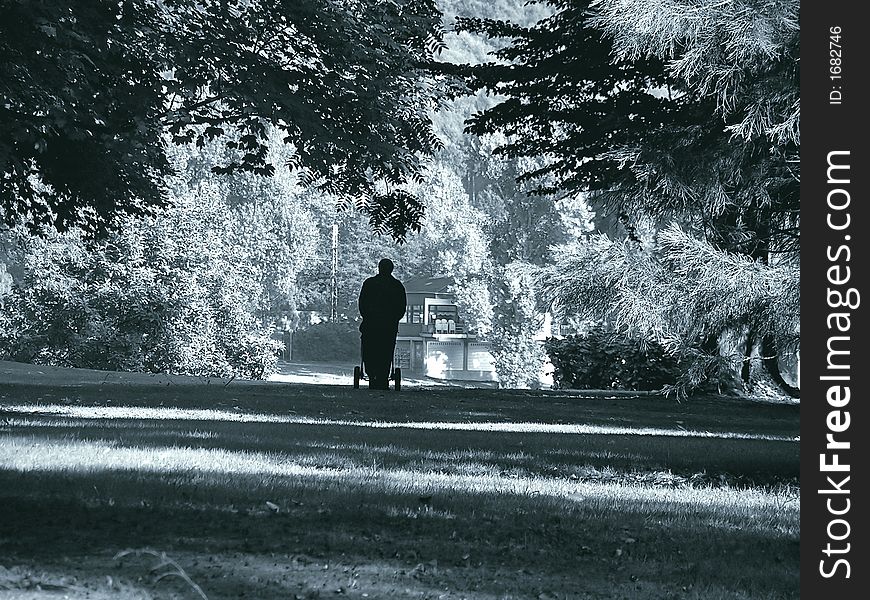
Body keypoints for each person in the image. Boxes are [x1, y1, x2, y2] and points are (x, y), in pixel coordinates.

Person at [358, 258, 407, 390]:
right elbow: (401, 307)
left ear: (379, 268)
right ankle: (382, 376)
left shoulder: (369, 284)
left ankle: (372, 374)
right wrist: (394, 319)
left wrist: (367, 316)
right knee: (386, 351)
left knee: (370, 350)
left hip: (371, 325)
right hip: (388, 326)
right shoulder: (397, 286)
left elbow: (362, 304)